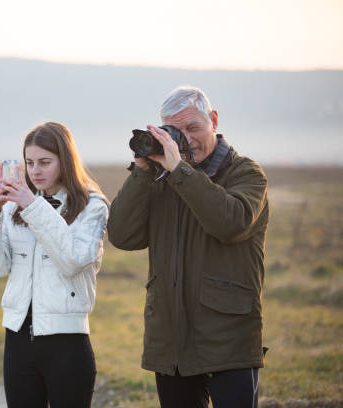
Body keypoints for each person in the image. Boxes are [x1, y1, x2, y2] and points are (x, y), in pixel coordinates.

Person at [107, 86, 269, 408]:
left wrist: (180, 170)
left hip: (228, 338)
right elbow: (122, 236)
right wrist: (142, 171)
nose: (186, 139)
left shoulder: (247, 174)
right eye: (175, 132)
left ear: (214, 120)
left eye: (193, 127)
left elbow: (230, 223)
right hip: (171, 340)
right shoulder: (159, 179)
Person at [0, 122, 109, 408]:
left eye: (45, 162)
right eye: (30, 162)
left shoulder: (91, 206)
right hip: (18, 340)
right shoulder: (13, 208)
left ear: (66, 160)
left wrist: (32, 206)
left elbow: (71, 261)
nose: (35, 171)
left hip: (67, 342)